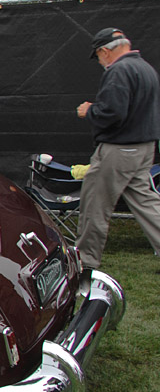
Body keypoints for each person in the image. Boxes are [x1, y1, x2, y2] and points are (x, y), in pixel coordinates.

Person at [75, 27, 160, 270]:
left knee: (95, 205)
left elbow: (113, 112)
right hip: (144, 147)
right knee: (146, 203)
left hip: (120, 149)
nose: (101, 62)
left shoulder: (119, 70)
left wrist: (89, 110)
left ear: (104, 51)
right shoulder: (145, 68)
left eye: (99, 56)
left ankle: (85, 261)